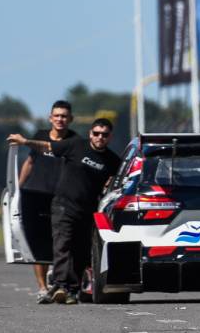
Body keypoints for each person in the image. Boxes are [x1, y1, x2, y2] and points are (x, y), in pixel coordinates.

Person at [8, 118, 121, 305]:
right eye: (96, 133)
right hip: (63, 205)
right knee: (62, 245)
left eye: (104, 135)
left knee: (81, 252)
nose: (100, 137)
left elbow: (119, 181)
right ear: (90, 134)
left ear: (110, 137)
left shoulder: (112, 160)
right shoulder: (76, 146)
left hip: (87, 210)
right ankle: (61, 285)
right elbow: (48, 146)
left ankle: (71, 290)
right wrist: (25, 141)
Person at [17, 100, 77, 303]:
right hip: (35, 193)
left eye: (64, 116)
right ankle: (42, 288)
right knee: (38, 242)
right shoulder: (40, 136)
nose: (60, 119)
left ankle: (60, 281)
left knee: (61, 241)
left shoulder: (75, 140)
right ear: (51, 118)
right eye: (57, 115)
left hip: (62, 197)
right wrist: (18, 187)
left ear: (70, 119)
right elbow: (30, 162)